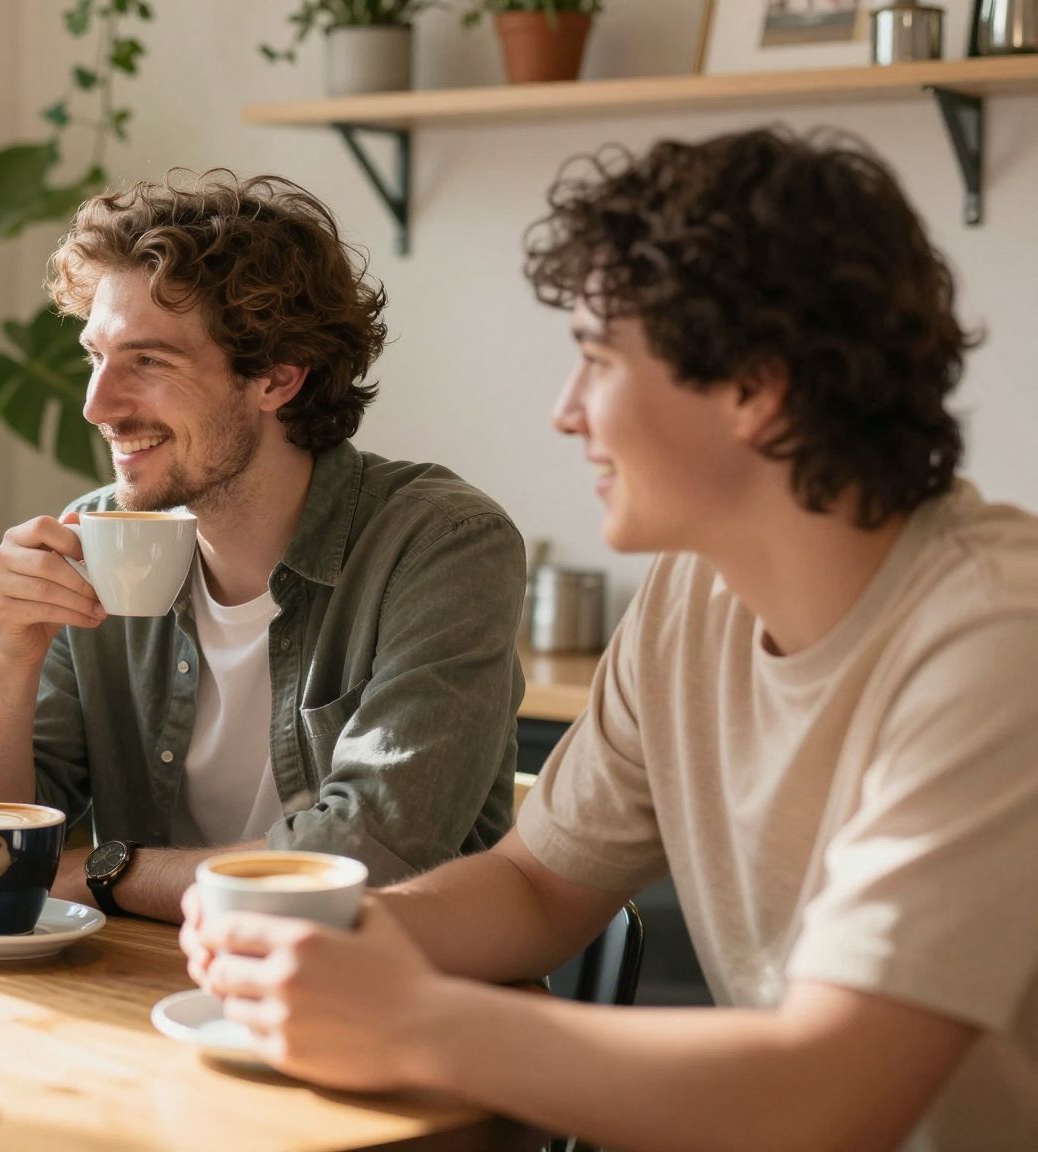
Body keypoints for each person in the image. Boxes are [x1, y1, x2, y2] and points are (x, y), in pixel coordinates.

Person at [184, 128, 1038, 1151]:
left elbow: (832, 1094)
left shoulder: (998, 637)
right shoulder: (695, 591)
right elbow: (536, 886)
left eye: (595, 360)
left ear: (754, 388)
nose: (565, 412)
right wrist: (338, 933)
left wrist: (414, 1020)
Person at [0, 172, 527, 923]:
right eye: (95, 356)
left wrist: (104, 873)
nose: (97, 405)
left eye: (149, 361)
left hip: (386, 986)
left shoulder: (440, 545)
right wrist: (11, 657)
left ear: (277, 377)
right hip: (148, 978)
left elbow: (367, 856)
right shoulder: (97, 537)